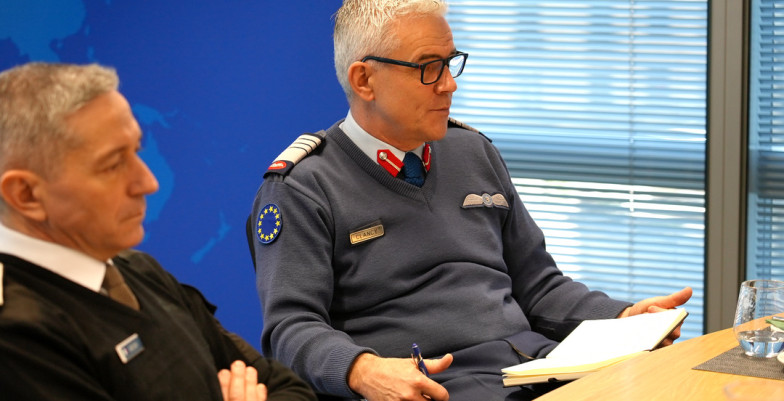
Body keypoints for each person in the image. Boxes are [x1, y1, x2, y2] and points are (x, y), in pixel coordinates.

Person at [249, 1, 692, 400]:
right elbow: (291, 329)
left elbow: (538, 285)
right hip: (435, 386)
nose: (448, 86)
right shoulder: (302, 187)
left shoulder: (472, 151)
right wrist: (364, 371)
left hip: (535, 369)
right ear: (364, 80)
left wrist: (623, 317)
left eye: (450, 63)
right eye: (427, 67)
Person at [0, 62, 316, 401]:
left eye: (136, 150)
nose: (148, 182)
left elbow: (289, 388)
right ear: (26, 195)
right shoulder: (17, 334)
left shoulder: (139, 271)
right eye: (112, 164)